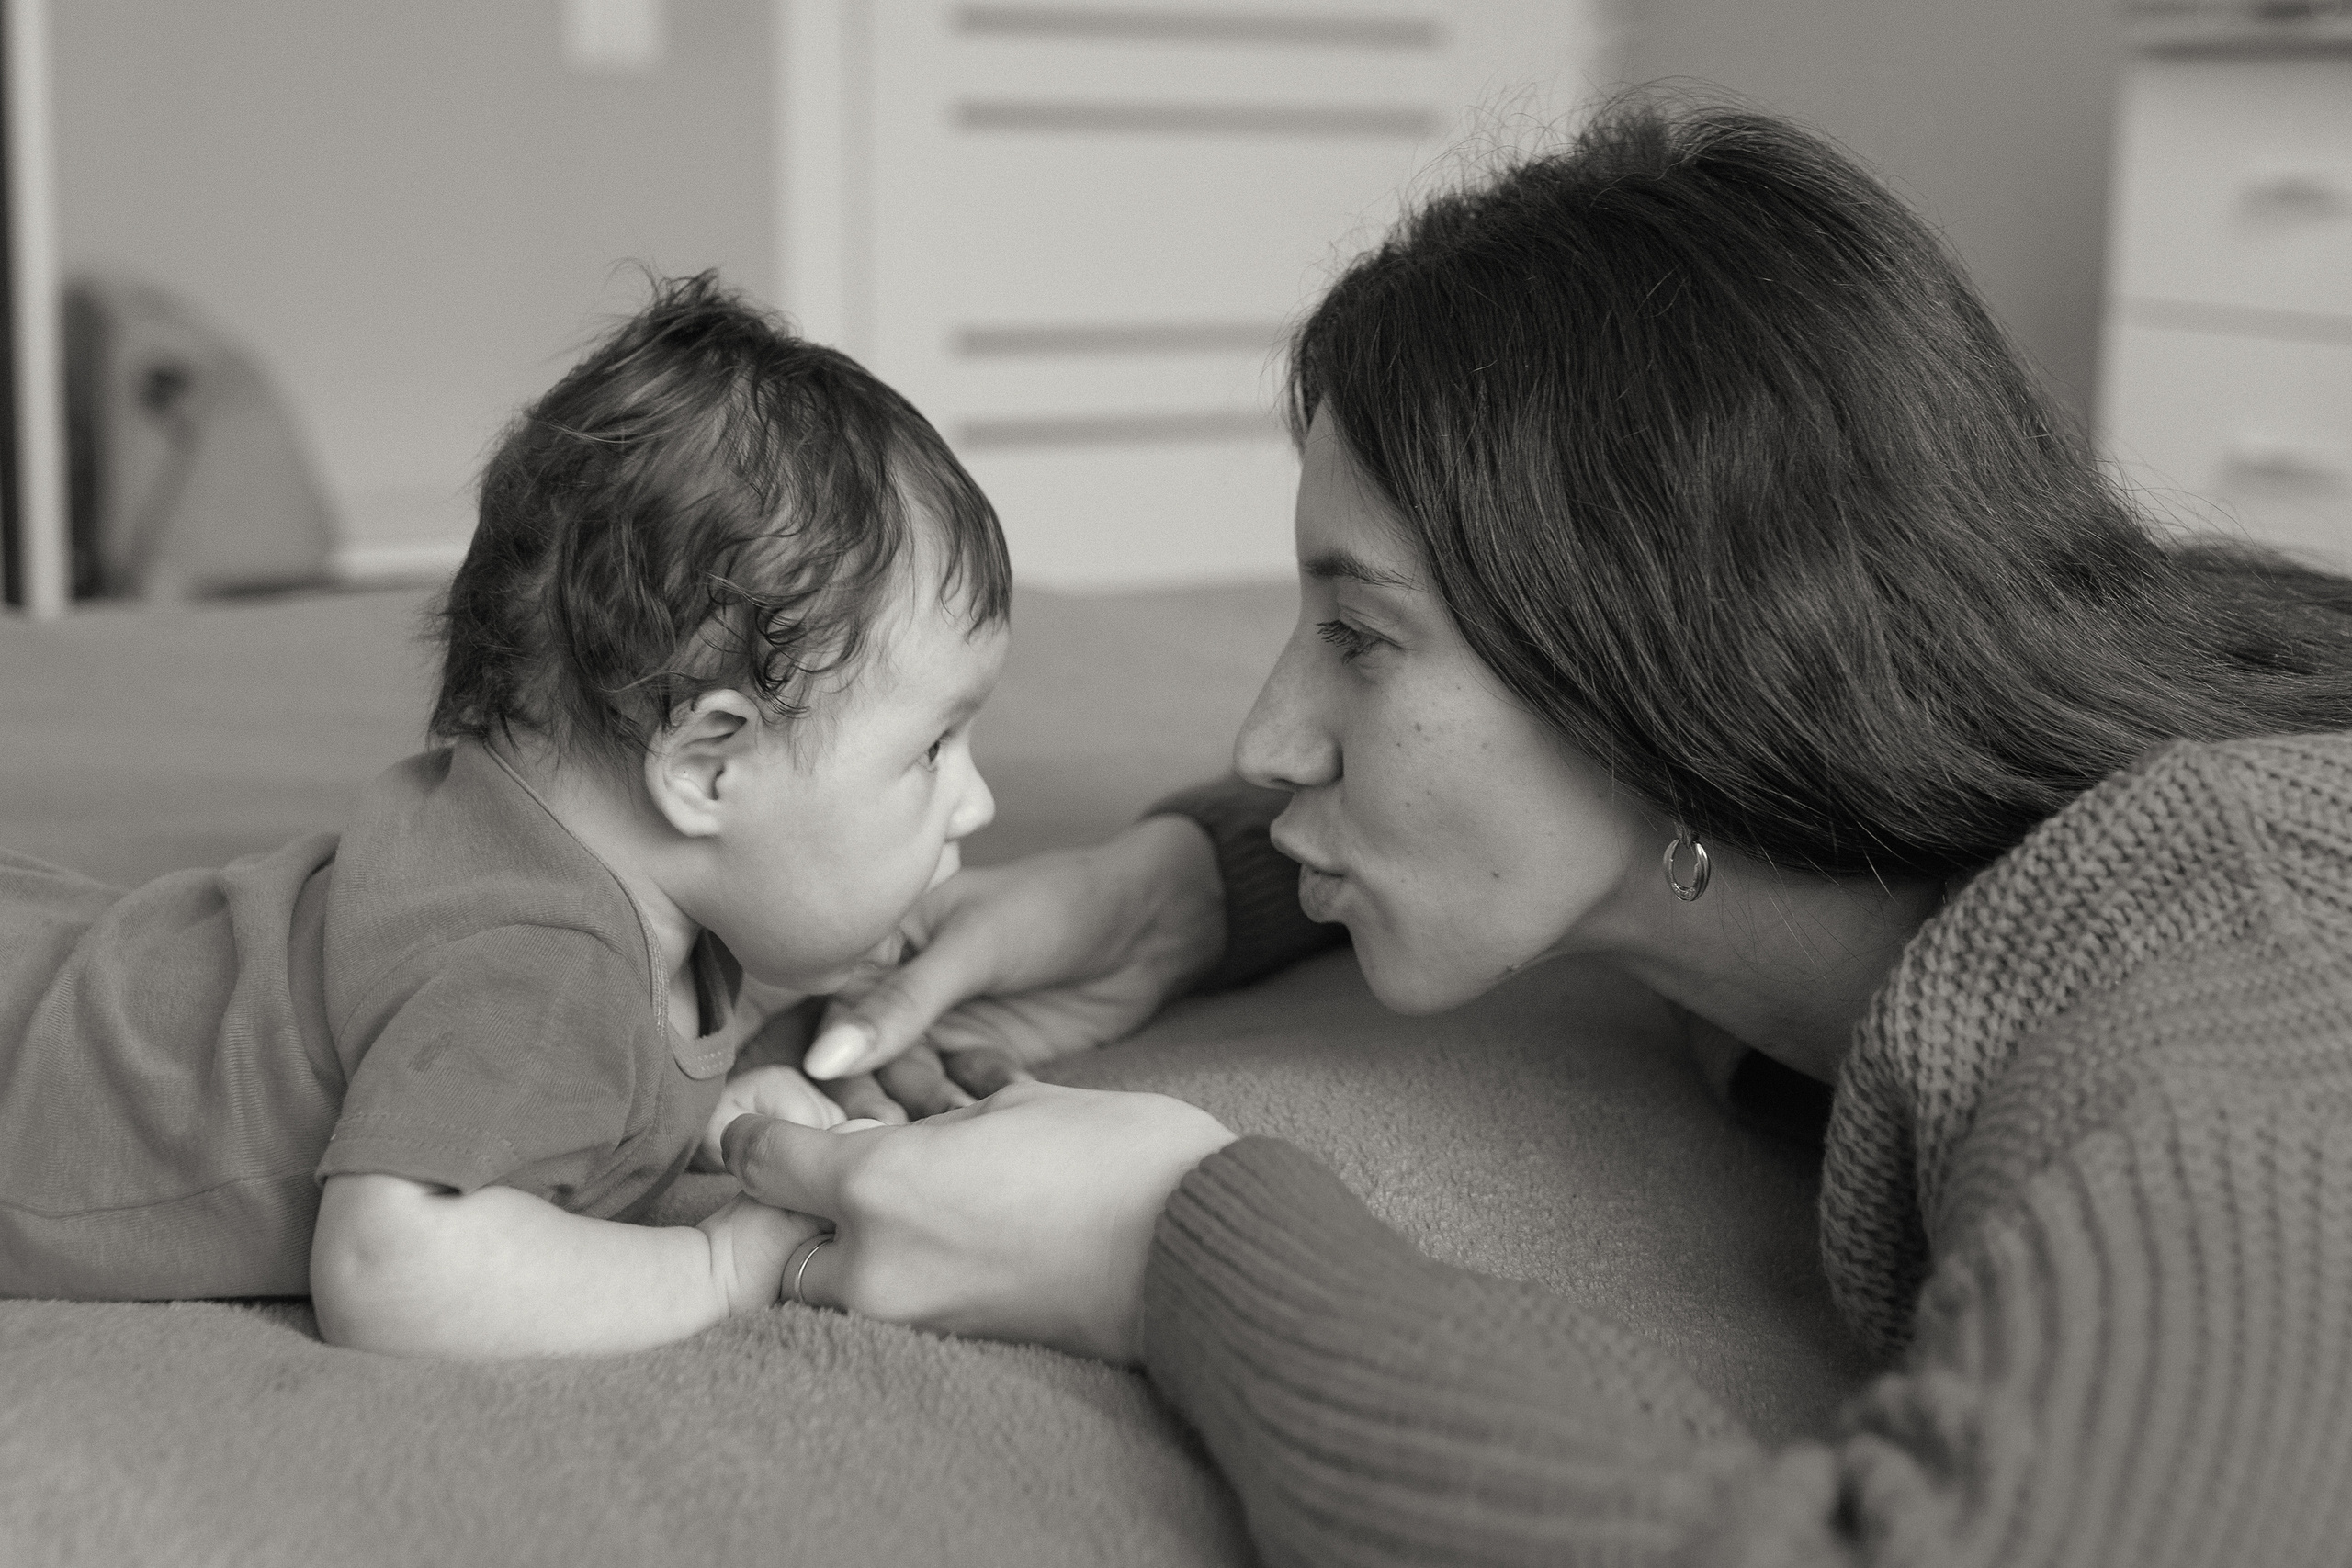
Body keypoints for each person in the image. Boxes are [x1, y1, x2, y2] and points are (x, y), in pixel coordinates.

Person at [718, 104, 2352, 1562]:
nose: (1265, 736)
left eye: (1362, 638)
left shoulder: (2199, 962)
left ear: (1679, 662)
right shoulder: (1867, 816)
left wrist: (1168, 1246)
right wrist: (1193, 886)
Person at [0, 275, 1016, 1356]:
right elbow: (393, 1266)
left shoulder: (567, 878)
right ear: (710, 768)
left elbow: (565, 1077)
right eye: (933, 749)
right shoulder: (539, 964)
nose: (977, 798)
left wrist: (712, 1122)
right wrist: (723, 1265)